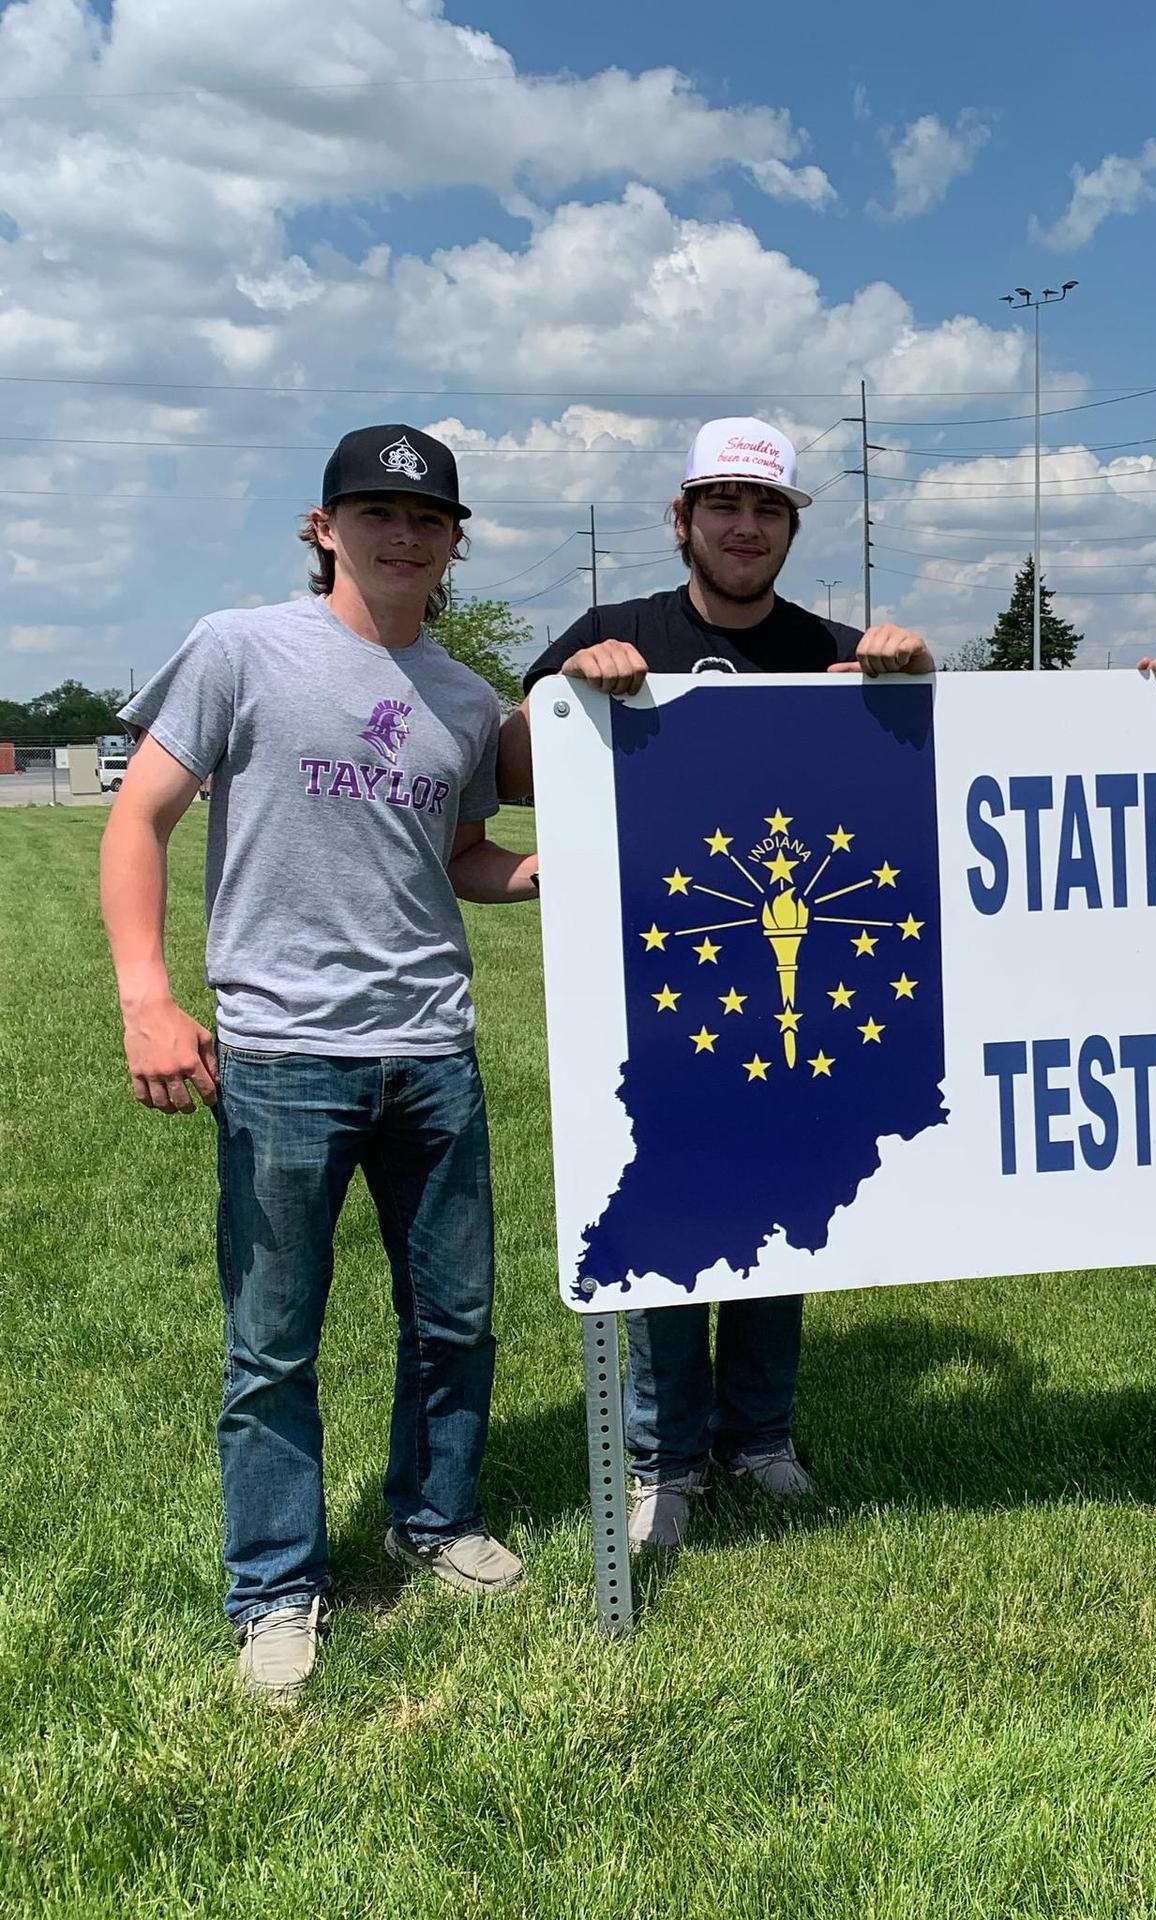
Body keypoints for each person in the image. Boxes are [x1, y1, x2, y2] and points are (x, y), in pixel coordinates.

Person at [101, 425, 538, 1707]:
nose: (401, 534)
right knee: (274, 1343)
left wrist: (544, 877)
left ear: (455, 540)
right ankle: (275, 1590)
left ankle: (432, 1516)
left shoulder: (463, 700)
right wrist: (147, 996)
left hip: (431, 1052)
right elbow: (141, 815)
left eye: (427, 518)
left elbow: (455, 857)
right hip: (285, 1054)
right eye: (374, 511)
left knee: (455, 1317)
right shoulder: (242, 649)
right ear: (323, 525)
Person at [498, 416, 933, 1554]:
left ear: (791, 526)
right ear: (683, 519)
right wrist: (571, 689)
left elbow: (915, 780)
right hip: (660, 987)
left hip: (798, 975)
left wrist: (910, 688)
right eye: (724, 504)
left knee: (787, 1194)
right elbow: (512, 766)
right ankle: (664, 1456)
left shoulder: (834, 647)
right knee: (671, 1202)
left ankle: (760, 1435)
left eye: (768, 507)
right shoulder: (613, 632)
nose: (746, 525)